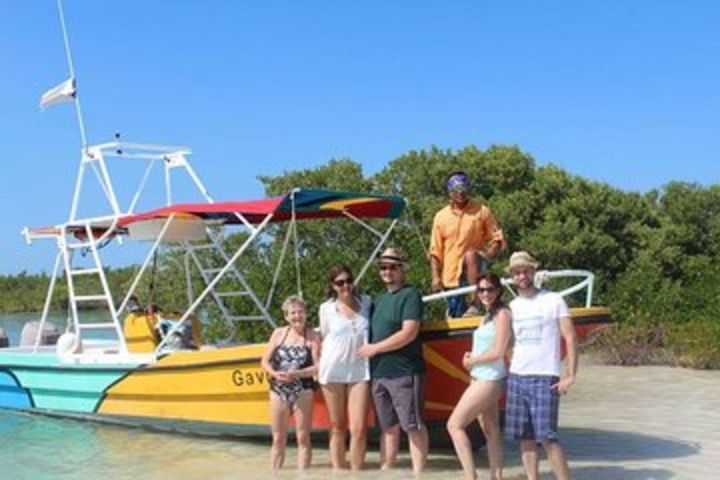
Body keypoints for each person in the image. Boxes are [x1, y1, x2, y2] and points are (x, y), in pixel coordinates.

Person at [505, 251, 577, 480]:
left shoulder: (553, 299)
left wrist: (570, 375)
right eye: (517, 272)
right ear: (512, 276)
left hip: (545, 377)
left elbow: (570, 337)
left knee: (547, 438)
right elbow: (506, 342)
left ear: (533, 272)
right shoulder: (512, 306)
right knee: (525, 438)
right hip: (517, 377)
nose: (522, 275)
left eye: (525, 270)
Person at [358, 247, 429, 474]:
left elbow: (409, 332)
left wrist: (374, 349)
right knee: (387, 426)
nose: (387, 271)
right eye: (383, 267)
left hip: (404, 371)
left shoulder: (411, 295)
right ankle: (387, 469)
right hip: (379, 373)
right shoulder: (377, 300)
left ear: (402, 269)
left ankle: (419, 473)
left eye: (392, 267)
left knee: (413, 425)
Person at [447, 272, 511, 480]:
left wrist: (471, 361)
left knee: (454, 425)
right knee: (490, 428)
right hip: (482, 376)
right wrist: (472, 358)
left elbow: (499, 351)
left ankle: (470, 476)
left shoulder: (502, 314)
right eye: (481, 289)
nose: (485, 293)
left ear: (499, 290)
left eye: (490, 289)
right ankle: (496, 476)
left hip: (490, 378)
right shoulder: (487, 314)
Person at [429, 170, 506, 317]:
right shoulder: (440, 216)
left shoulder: (482, 211)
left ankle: (475, 303)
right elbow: (435, 250)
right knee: (455, 316)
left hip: (476, 271)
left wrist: (489, 254)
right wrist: (435, 277)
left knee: (470, 255)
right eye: (456, 190)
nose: (461, 193)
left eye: (465, 189)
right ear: (449, 192)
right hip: (451, 278)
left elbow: (497, 238)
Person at [317, 265, 372, 470]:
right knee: (337, 427)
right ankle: (339, 473)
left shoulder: (366, 302)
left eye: (348, 280)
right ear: (333, 286)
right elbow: (323, 336)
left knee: (359, 428)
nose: (345, 285)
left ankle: (357, 473)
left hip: (360, 370)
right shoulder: (326, 309)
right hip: (332, 371)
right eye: (340, 283)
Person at [260, 295, 321, 471]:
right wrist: (274, 373)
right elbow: (264, 361)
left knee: (303, 438)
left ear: (306, 314)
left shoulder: (313, 336)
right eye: (292, 313)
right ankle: (275, 474)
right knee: (278, 438)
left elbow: (318, 366)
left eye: (300, 312)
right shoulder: (278, 333)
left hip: (303, 390)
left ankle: (304, 476)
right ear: (286, 316)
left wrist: (297, 373)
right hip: (278, 390)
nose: (297, 316)